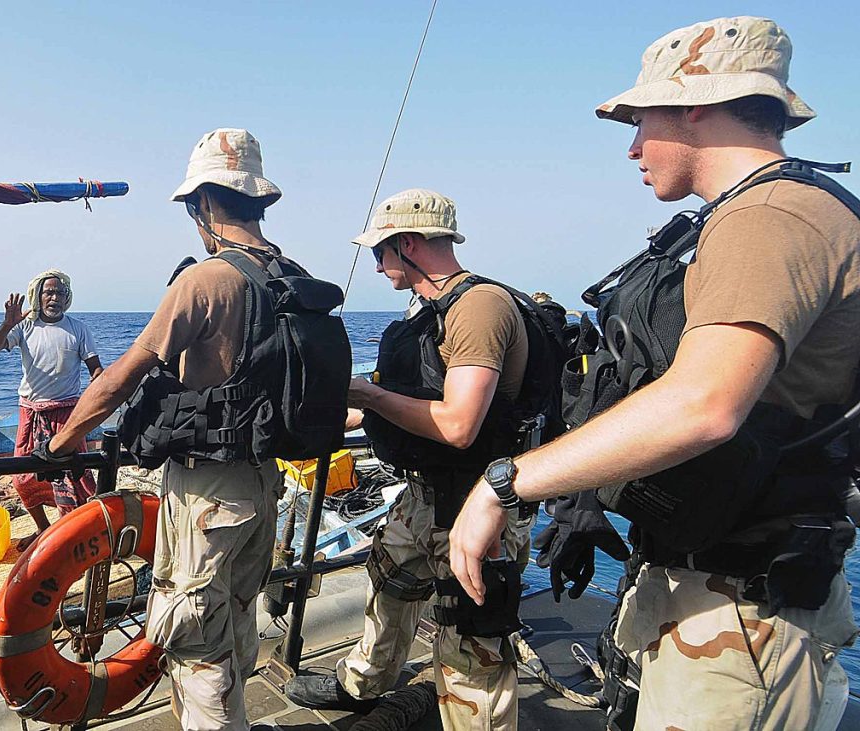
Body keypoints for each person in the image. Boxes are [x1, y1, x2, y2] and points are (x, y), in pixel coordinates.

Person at [449, 16, 859, 731]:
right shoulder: (764, 212)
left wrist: (504, 483)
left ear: (696, 103)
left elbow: (703, 403)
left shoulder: (770, 216)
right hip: (717, 591)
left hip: (741, 618)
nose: (634, 146)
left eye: (641, 120)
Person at [42, 128, 299, 731]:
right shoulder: (289, 275)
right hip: (265, 485)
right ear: (258, 201)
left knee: (194, 644)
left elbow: (116, 382)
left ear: (203, 204)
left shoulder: (206, 279)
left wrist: (62, 442)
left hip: (208, 493)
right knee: (236, 622)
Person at [286, 189, 541, 730]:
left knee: (471, 640)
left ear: (408, 244)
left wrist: (368, 396)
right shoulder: (426, 313)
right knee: (390, 581)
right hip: (423, 494)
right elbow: (404, 402)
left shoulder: (478, 307)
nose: (377, 266)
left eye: (380, 252)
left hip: (480, 503)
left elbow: (457, 424)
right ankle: (363, 683)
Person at [0, 269, 102, 551]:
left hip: (67, 412)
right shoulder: (25, 327)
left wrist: (101, 395)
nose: (54, 298)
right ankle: (43, 529)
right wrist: (6, 324)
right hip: (32, 412)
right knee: (23, 478)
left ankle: (74, 531)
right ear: (38, 296)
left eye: (60, 293)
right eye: (48, 292)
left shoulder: (78, 329)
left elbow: (96, 370)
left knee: (74, 478)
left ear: (67, 298)